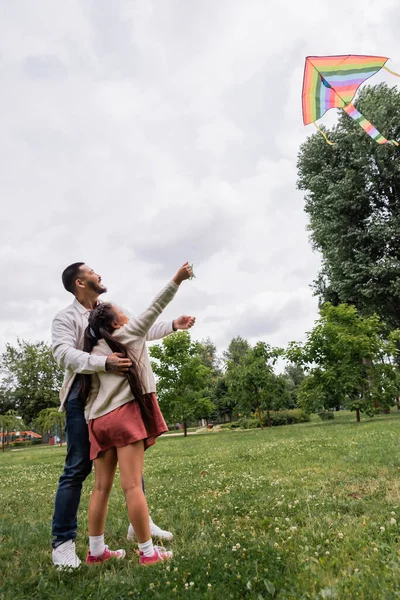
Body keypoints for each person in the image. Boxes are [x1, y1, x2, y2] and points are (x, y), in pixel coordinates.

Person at [51, 262, 195, 568]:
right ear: (80, 282)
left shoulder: (105, 313)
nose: (98, 273)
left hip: (99, 412)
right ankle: (64, 542)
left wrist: (171, 326)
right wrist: (104, 364)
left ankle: (118, 536)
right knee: (79, 470)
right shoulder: (66, 318)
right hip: (87, 400)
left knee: (113, 480)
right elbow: (62, 353)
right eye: (91, 271)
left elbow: (139, 328)